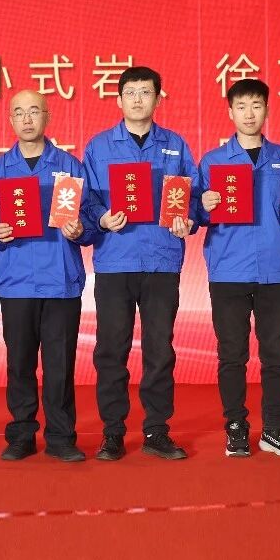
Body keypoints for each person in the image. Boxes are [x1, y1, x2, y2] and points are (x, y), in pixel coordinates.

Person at [196, 79, 280, 458]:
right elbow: (194, 214)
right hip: (228, 270)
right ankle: (235, 428)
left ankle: (275, 430)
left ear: (266, 109)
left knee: (277, 355)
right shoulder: (212, 162)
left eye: (257, 105)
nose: (249, 114)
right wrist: (203, 205)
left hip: (275, 269)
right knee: (232, 355)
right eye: (242, 106)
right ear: (230, 112)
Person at [82, 66, 197, 462]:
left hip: (162, 260)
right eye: (130, 92)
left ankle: (156, 430)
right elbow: (87, 200)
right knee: (111, 350)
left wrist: (188, 219)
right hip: (115, 260)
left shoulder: (175, 145)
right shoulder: (99, 146)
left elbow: (193, 194)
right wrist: (101, 219)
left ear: (157, 99)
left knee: (159, 350)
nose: (137, 99)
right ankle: (113, 432)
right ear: (118, 99)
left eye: (145, 92)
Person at [0, 90, 92, 463]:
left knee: (60, 364)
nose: (27, 119)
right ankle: (22, 434)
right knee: (20, 363)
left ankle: (61, 436)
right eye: (19, 112)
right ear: (10, 120)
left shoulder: (70, 166)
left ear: (47, 116)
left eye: (34, 111)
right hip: (16, 279)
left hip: (61, 279)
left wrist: (81, 229)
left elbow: (90, 218)